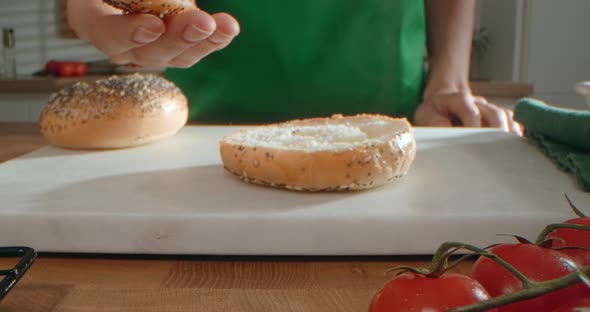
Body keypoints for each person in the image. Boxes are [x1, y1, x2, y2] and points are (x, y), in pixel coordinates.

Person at [67, 0, 522, 134]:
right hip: (209, 130)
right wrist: (93, 14)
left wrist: (448, 82)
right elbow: (91, 5)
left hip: (392, 122)